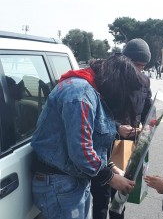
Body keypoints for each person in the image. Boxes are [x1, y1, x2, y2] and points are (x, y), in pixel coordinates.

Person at [31, 55, 141, 219]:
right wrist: (111, 178)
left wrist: (110, 167)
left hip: (72, 179)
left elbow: (93, 137)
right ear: (116, 84)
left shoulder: (92, 89)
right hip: (60, 183)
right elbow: (81, 151)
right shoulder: (80, 95)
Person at [91, 38, 152, 219]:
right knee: (101, 194)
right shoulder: (107, 79)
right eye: (135, 65)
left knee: (120, 195)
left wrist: (143, 125)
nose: (138, 70)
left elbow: (148, 109)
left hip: (125, 146)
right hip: (105, 142)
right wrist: (118, 127)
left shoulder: (144, 82)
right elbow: (97, 112)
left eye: (142, 66)